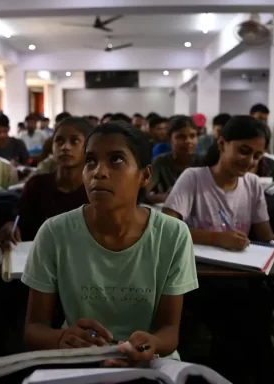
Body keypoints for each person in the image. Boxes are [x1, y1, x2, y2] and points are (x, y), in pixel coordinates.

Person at [162, 115, 274, 383]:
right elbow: (167, 229)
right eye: (244, 151)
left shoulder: (251, 184)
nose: (249, 161)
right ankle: (265, 374)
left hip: (239, 275)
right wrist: (217, 238)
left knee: (251, 304)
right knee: (242, 307)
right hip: (196, 277)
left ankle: (240, 374)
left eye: (257, 155)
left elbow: (266, 236)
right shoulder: (194, 178)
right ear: (222, 143)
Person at [22, 120, 197, 364]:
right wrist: (62, 338)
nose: (98, 172)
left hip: (149, 360)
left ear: (145, 175)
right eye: (91, 161)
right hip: (80, 356)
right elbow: (34, 329)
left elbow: (168, 332)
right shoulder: (54, 232)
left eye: (116, 160)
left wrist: (150, 345)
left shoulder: (172, 234)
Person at [0, 117, 92, 246]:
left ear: (88, 147)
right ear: (52, 146)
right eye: (59, 141)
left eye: (74, 141)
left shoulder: (95, 191)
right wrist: (11, 228)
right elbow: (19, 223)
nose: (65, 147)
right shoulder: (36, 186)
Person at [147, 115, 201, 204]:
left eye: (192, 136)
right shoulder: (160, 162)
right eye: (181, 137)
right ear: (169, 139)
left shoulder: (203, 162)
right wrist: (163, 197)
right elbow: (143, 192)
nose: (188, 141)